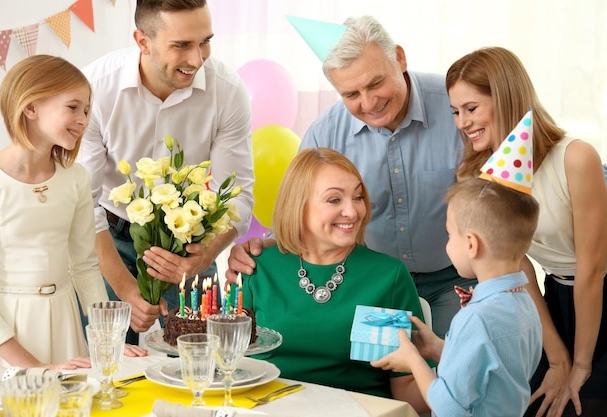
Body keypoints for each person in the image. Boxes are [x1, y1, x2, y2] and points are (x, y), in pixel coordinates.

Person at [228, 15, 473, 338]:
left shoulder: (458, 110)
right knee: (386, 379)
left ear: (399, 58)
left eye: (375, 84)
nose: (369, 103)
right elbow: (300, 217)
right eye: (351, 94)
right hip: (374, 284)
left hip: (455, 279)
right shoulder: (325, 133)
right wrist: (254, 250)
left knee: (454, 376)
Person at [77, 0, 254, 343]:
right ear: (142, 41)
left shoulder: (228, 92)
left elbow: (239, 196)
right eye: (182, 45)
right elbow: (84, 205)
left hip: (187, 246)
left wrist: (202, 259)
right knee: (104, 363)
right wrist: (127, 289)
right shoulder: (95, 87)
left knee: (201, 358)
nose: (197, 58)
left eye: (205, 41)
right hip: (105, 241)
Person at [446, 46, 607, 417]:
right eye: (455, 112)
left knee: (582, 402)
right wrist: (556, 358)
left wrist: (580, 366)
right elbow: (518, 267)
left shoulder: (576, 157)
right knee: (538, 397)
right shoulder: (477, 175)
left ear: (505, 99)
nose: (461, 122)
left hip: (596, 290)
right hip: (559, 297)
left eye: (471, 109)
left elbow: (593, 270)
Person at [241, 147, 430, 413]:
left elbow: (407, 395)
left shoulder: (385, 277)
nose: (352, 212)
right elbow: (234, 368)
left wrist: (453, 374)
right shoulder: (258, 267)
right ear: (299, 205)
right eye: (334, 200)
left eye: (357, 197)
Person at [372, 177, 543, 415]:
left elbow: (446, 406)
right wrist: (437, 349)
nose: (448, 244)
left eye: (449, 235)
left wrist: (413, 360)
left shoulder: (476, 318)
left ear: (471, 244)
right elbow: (493, 369)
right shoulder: (525, 303)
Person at [0, 55, 109, 369]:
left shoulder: (76, 179)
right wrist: (35, 368)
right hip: (4, 341)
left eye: (87, 110)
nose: (83, 119)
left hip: (64, 324)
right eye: (73, 106)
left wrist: (108, 341)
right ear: (31, 106)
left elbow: (85, 268)